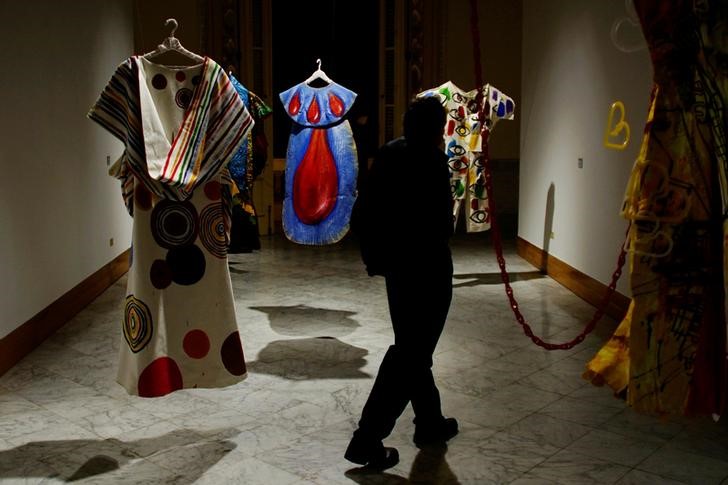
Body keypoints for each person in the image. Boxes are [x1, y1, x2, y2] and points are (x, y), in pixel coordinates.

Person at [345, 96, 458, 470]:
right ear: (437, 128)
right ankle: (367, 437)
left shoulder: (390, 154)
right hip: (428, 270)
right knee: (411, 354)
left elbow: (364, 211)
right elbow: (443, 224)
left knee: (412, 347)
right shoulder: (432, 162)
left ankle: (430, 423)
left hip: (398, 271)